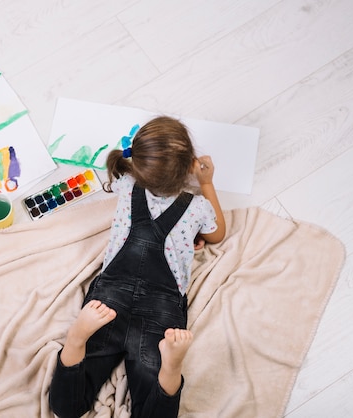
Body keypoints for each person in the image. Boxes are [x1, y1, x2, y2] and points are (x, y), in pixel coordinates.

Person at [49, 116, 226, 418]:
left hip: (106, 307)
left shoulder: (126, 183)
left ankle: (77, 338)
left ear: (138, 165)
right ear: (188, 168)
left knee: (65, 409)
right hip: (161, 311)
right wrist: (206, 183)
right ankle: (170, 370)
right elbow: (218, 234)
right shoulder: (196, 206)